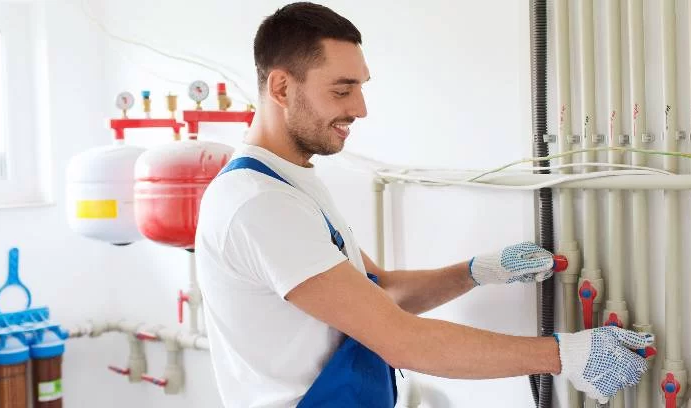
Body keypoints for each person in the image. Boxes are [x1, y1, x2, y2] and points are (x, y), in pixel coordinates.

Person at [194, 3, 654, 407]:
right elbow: (401, 340)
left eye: (361, 87)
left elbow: (379, 293)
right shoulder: (259, 204)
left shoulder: (292, 183)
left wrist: (476, 271)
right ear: (280, 88)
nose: (360, 108)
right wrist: (564, 355)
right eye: (342, 89)